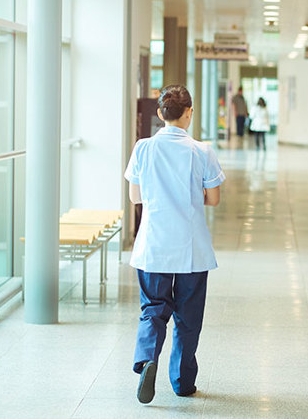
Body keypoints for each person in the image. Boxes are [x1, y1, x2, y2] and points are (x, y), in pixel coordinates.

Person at [124, 85, 226, 404]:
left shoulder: (143, 148)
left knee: (152, 309)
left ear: (159, 115)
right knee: (188, 316)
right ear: (189, 113)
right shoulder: (202, 151)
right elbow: (213, 198)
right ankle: (182, 381)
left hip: (153, 244)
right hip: (191, 248)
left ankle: (147, 361)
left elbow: (135, 197)